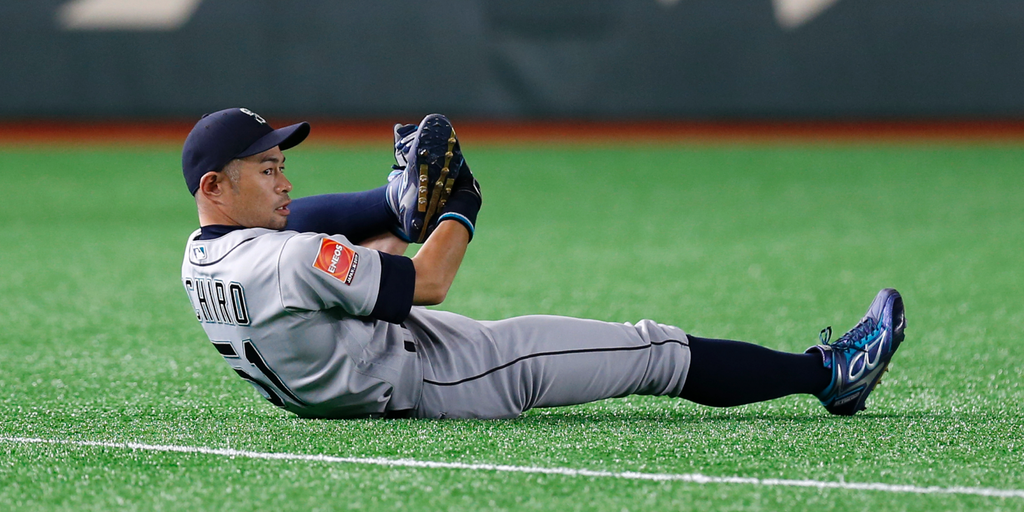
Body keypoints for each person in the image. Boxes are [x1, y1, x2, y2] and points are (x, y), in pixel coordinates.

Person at [179, 108, 907, 420]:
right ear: (216, 185)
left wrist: (397, 217)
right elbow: (427, 282)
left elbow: (306, 247)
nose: (285, 181)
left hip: (345, 368)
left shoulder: (201, 257)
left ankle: (398, 199)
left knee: (318, 233)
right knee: (651, 350)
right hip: (433, 377)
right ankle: (829, 375)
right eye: (266, 168)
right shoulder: (291, 260)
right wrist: (462, 204)